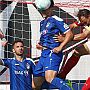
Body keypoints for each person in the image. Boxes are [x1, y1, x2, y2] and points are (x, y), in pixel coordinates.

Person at [34, 0, 73, 89]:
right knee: (35, 84)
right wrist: (40, 46)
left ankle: (68, 87)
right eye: (42, 10)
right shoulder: (42, 22)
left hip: (53, 53)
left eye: (45, 10)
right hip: (44, 54)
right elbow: (46, 38)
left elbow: (70, 34)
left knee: (50, 78)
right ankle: (61, 85)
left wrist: (60, 46)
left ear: (51, 8)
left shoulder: (56, 19)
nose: (43, 12)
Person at [55, 9, 90, 80]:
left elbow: (83, 35)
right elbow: (73, 25)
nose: (84, 24)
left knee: (78, 51)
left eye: (85, 22)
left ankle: (62, 75)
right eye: (83, 22)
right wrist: (64, 30)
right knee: (77, 52)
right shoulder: (85, 19)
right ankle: (62, 75)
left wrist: (66, 39)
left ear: (88, 16)